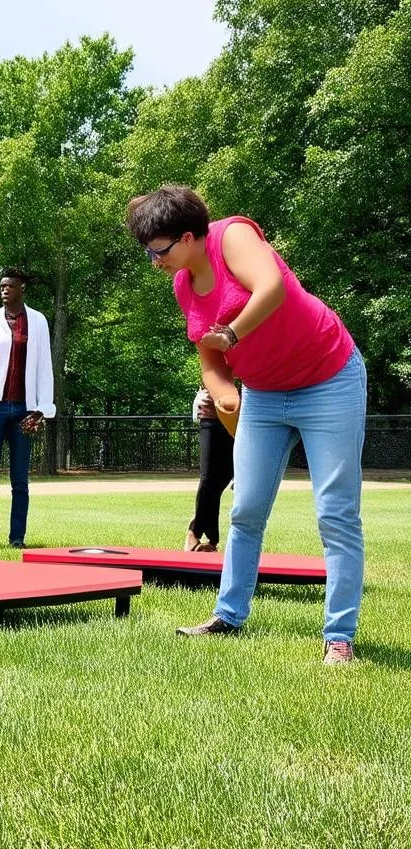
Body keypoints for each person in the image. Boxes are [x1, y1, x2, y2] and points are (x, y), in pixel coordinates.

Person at [127, 185, 366, 665]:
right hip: (263, 394)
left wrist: (233, 331)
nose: (154, 261)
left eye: (159, 250)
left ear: (189, 237)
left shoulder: (231, 235)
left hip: (328, 380)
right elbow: (209, 357)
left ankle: (339, 635)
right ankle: (228, 616)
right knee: (246, 510)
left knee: (335, 514)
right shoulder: (182, 285)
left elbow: (272, 289)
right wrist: (223, 393)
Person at [0, 267, 55, 552]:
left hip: (24, 409)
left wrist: (42, 408)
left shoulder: (38, 322)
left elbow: (44, 368)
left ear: (22, 289)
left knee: (20, 479)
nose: (4, 290)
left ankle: (17, 538)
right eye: (2, 286)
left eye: (10, 286)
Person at [185, 386, 235, 552]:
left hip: (239, 415)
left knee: (225, 475)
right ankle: (196, 532)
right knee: (208, 477)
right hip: (212, 413)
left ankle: (206, 533)